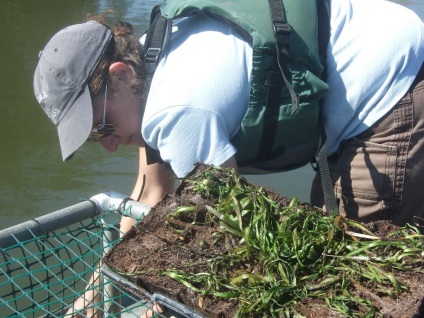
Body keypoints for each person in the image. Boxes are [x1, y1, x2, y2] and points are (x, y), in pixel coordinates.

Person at [33, 0, 423, 316]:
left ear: (119, 75)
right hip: (392, 35)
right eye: (92, 139)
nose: (109, 146)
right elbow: (150, 197)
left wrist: (161, 305)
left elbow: (230, 236)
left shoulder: (175, 110)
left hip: (393, 88)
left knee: (349, 271)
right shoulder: (152, 59)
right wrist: (94, 299)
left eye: (101, 128)